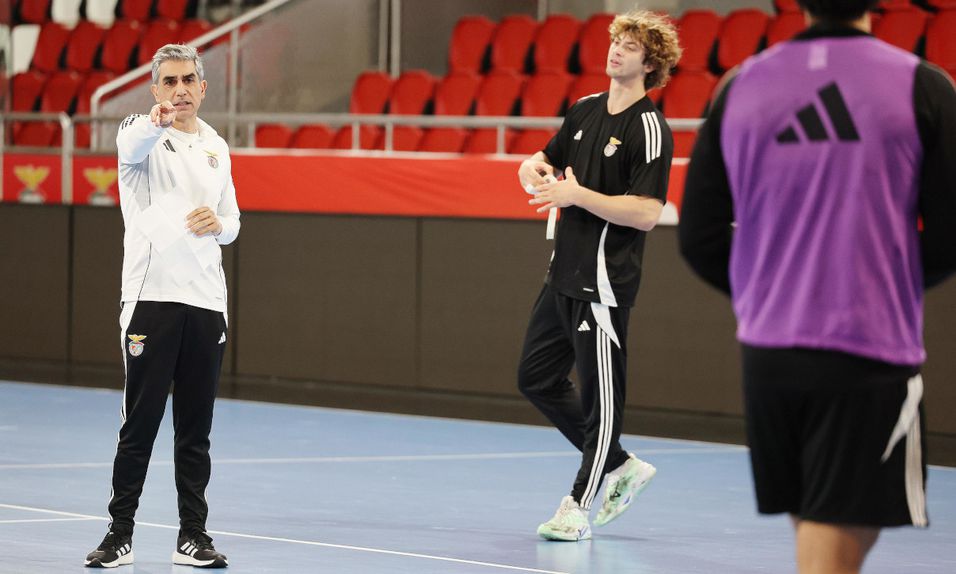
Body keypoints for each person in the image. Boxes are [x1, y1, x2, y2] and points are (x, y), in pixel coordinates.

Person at [679, 0, 956, 572]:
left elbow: (701, 237)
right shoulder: (922, 85)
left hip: (767, 358)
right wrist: (884, 287)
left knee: (819, 520)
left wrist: (774, 293)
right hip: (864, 351)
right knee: (835, 532)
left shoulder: (740, 85)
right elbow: (952, 232)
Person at [516, 11, 681, 541]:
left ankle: (577, 506)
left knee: (601, 395)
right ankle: (622, 464)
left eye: (629, 46)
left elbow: (648, 211)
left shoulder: (650, 128)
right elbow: (546, 158)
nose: (616, 51)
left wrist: (576, 194)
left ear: (649, 63)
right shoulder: (585, 109)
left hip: (604, 284)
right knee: (535, 377)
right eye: (615, 41)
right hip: (560, 274)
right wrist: (531, 167)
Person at [85, 44, 239, 569]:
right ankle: (119, 534)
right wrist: (154, 121)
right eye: (169, 81)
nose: (179, 90)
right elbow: (131, 138)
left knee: (195, 429)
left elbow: (233, 220)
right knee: (140, 424)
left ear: (202, 86)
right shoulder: (141, 135)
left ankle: (192, 536)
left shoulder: (218, 146)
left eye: (188, 80)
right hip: (152, 301)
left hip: (206, 304)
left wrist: (219, 225)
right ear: (156, 89)